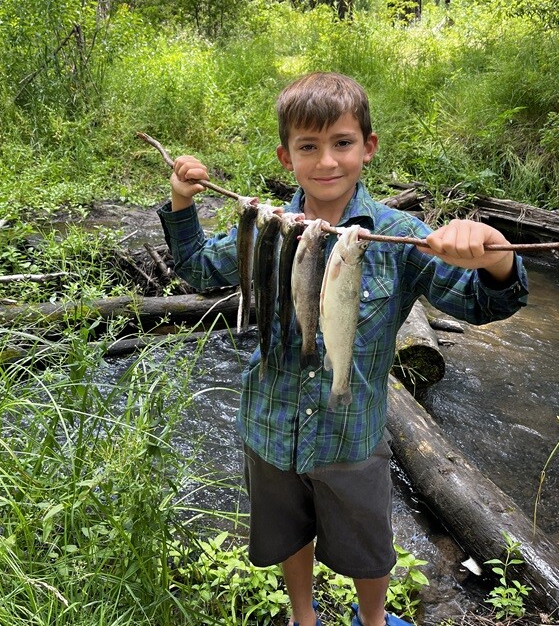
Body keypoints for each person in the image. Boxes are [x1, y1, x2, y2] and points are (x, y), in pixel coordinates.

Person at [158, 72, 528, 626]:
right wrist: (182, 202)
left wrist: (496, 259)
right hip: (270, 423)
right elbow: (196, 267)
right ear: (286, 158)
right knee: (290, 534)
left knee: (369, 544)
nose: (326, 161)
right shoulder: (269, 229)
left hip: (353, 430)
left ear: (368, 147)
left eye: (342, 143)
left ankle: (372, 619)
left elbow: (484, 303)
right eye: (309, 147)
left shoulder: (400, 237)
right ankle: (302, 616)